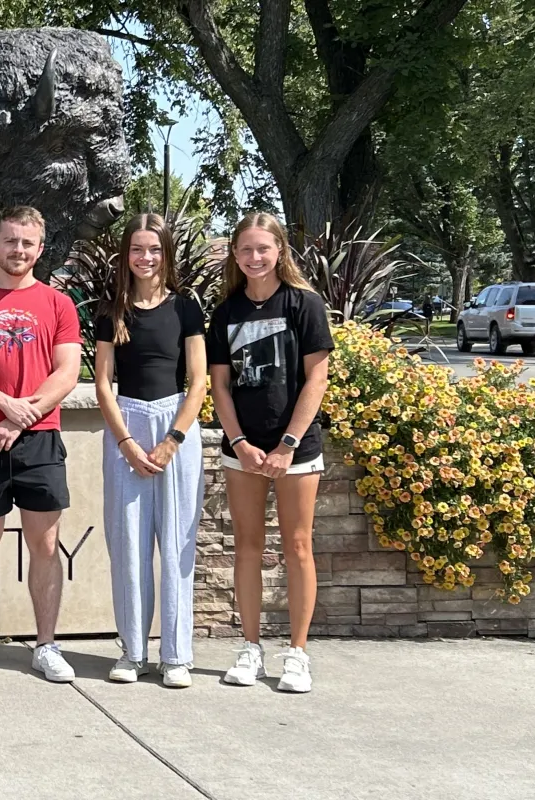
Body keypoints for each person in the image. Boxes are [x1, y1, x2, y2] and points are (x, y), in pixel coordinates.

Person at [0, 206, 83, 683]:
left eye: (27, 243)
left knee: (44, 544)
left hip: (40, 439)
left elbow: (67, 373)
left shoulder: (58, 304)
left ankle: (46, 645)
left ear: (40, 249)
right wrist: (7, 405)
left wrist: (22, 419)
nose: (18, 250)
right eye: (10, 241)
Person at [207, 212, 333, 694]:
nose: (254, 258)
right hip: (243, 448)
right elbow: (220, 385)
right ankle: (251, 648)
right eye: (245, 250)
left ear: (280, 249)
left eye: (263, 248)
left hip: (295, 449)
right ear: (234, 256)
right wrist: (238, 440)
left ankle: (297, 654)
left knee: (298, 546)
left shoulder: (303, 304)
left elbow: (316, 379)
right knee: (248, 547)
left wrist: (287, 445)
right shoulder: (226, 313)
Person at [92, 214, 206, 689]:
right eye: (137, 249)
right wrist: (126, 441)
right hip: (126, 423)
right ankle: (133, 652)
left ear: (166, 253)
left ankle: (177, 655)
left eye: (154, 250)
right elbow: (102, 381)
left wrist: (170, 442)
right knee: (129, 546)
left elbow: (198, 381)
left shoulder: (186, 308)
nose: (145, 258)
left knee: (177, 545)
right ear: (126, 254)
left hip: (176, 425)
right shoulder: (110, 310)